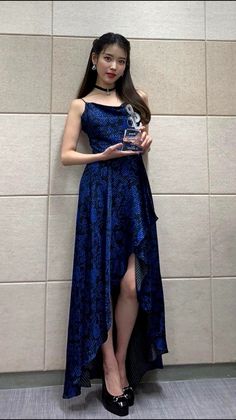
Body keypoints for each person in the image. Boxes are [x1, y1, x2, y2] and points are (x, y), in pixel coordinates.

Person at [61, 32, 168, 416]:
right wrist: (100, 156)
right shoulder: (81, 105)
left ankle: (122, 360)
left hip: (134, 194)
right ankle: (108, 368)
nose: (113, 67)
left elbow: (142, 139)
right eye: (107, 58)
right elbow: (66, 156)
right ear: (94, 59)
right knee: (99, 283)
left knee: (131, 285)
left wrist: (145, 143)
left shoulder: (137, 101)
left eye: (120, 61)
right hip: (99, 196)